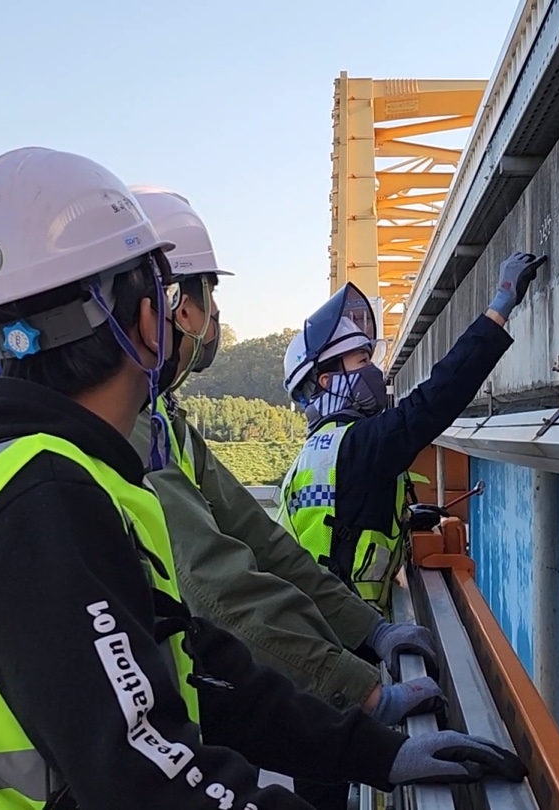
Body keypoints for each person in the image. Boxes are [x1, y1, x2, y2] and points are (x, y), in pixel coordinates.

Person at [0, 147, 525, 809]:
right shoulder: (43, 499)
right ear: (153, 315)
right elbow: (145, 773)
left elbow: (189, 657)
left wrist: (372, 750)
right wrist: (366, 697)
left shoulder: (44, 467)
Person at [125, 186, 451, 810]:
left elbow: (261, 541)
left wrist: (371, 632)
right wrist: (363, 690)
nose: (212, 318)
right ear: (167, 306)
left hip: (171, 702)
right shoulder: (127, 433)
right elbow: (214, 580)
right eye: (205, 298)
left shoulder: (160, 419)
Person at [278, 252, 546, 614]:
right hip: (348, 634)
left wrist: (402, 519)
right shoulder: (358, 445)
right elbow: (433, 401)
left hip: (323, 624)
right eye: (361, 361)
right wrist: (501, 302)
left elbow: (342, 523)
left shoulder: (318, 452)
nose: (374, 372)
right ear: (328, 381)